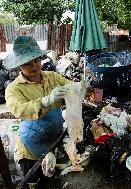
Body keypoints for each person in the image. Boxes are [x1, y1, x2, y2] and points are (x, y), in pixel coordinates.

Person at [3, 36, 87, 182]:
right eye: (27, 63)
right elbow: (20, 109)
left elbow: (70, 88)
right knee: (34, 180)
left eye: (36, 60)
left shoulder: (52, 77)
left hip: (54, 137)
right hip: (31, 143)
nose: (34, 66)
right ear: (19, 66)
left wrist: (81, 87)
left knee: (54, 176)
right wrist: (46, 100)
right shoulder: (13, 89)